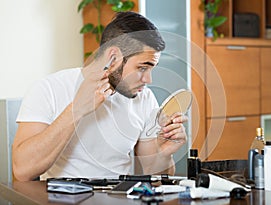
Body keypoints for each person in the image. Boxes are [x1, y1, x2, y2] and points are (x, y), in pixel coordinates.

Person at [12, 11, 188, 181]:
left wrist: (164, 153)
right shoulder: (49, 88)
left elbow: (155, 177)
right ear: (113, 57)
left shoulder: (144, 98)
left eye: (151, 69)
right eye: (142, 68)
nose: (149, 79)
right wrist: (77, 109)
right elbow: (22, 170)